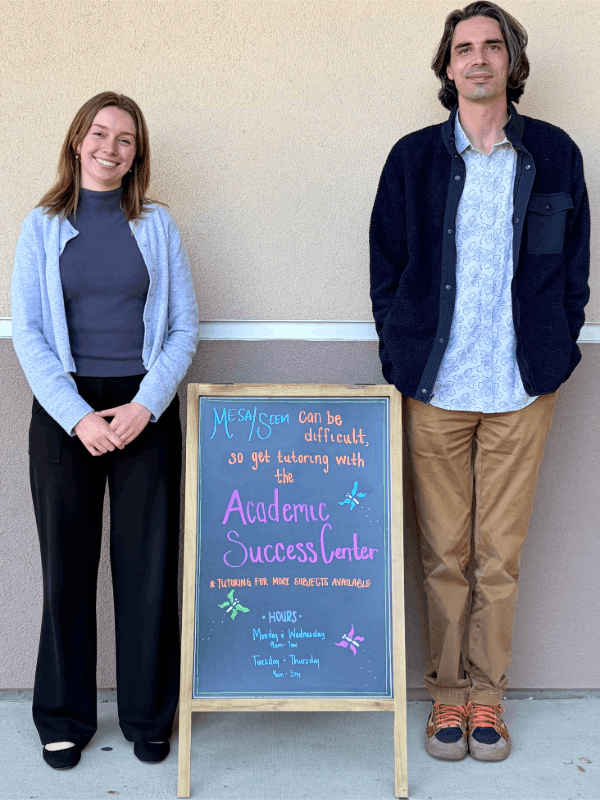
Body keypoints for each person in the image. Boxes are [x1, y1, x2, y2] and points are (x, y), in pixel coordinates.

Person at [369, 2, 589, 762]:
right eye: (464, 48)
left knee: (499, 553)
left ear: (511, 61)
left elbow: (573, 270)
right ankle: (445, 698)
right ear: (448, 66)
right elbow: (387, 268)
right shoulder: (412, 160)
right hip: (437, 386)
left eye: (492, 46)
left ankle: (487, 698)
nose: (478, 59)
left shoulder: (556, 156)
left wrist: (559, 348)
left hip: (521, 388)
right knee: (443, 553)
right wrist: (398, 359)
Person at [11, 91, 199, 769]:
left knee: (148, 569)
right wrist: (77, 416)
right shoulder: (40, 225)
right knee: (66, 568)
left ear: (137, 155)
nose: (110, 148)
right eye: (100, 134)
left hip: (144, 409)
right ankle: (63, 715)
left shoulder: (157, 224)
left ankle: (150, 716)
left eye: (126, 140)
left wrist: (146, 405)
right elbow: (28, 333)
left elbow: (182, 329)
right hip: (67, 411)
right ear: (77, 141)